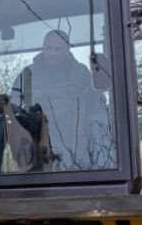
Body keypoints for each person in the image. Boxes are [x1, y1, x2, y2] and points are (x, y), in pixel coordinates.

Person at [8, 29, 109, 170]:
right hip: (38, 142)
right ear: (43, 48)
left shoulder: (81, 73)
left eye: (58, 48)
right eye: (49, 48)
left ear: (68, 49)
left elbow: (95, 108)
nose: (53, 52)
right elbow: (15, 109)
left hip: (75, 142)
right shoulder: (27, 75)